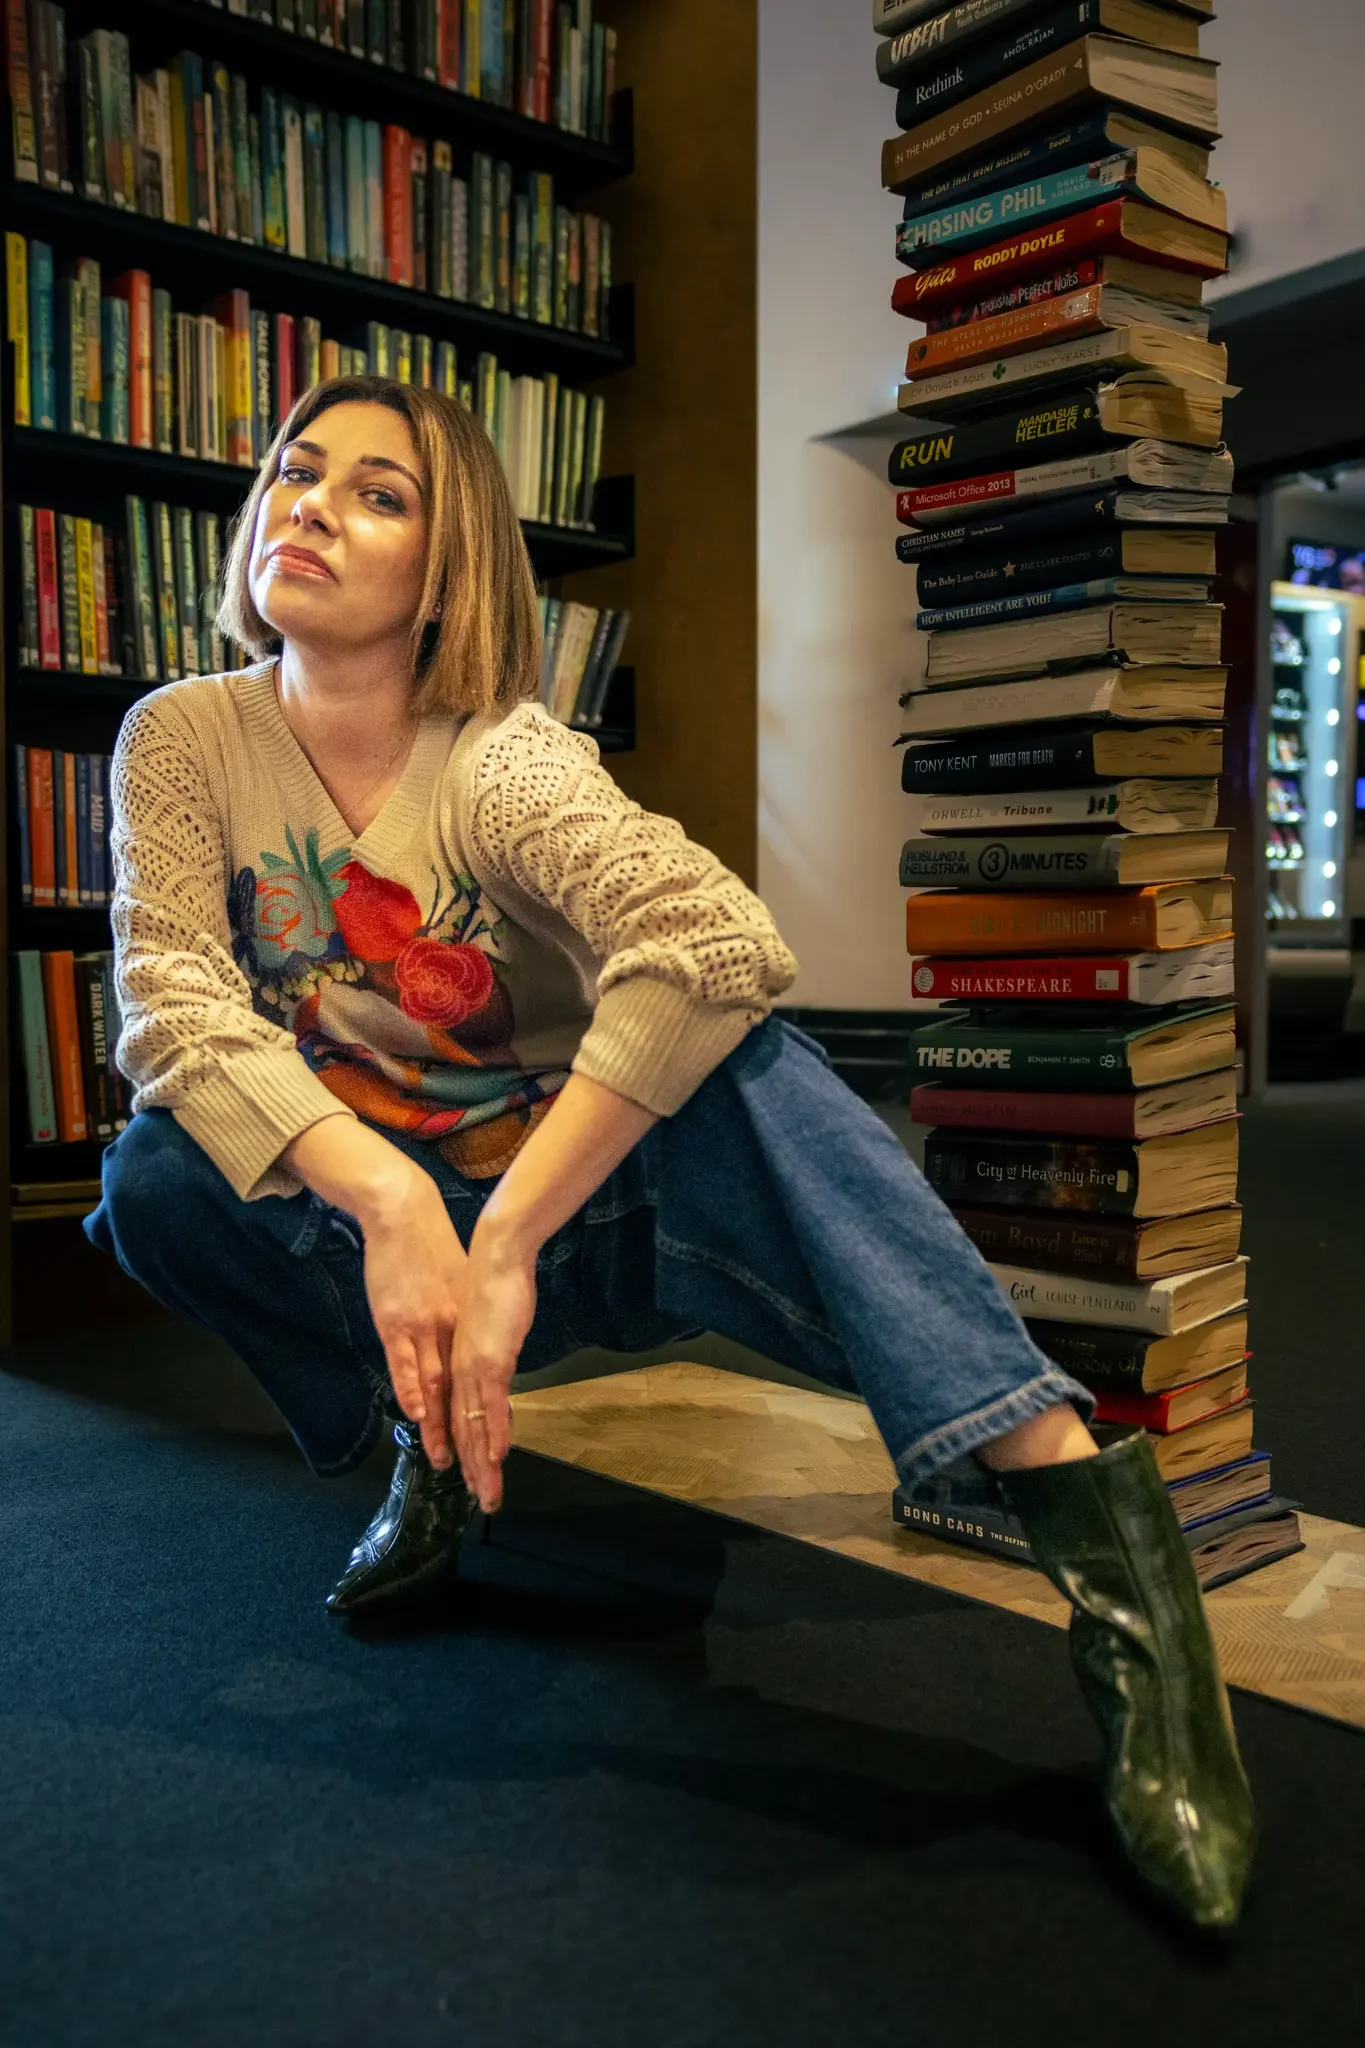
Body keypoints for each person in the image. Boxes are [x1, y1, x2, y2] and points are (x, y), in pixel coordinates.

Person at [87, 375, 1254, 1933]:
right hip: (397, 1243)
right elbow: (168, 1000)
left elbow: (712, 941)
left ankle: (1122, 1589)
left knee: (755, 1060)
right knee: (156, 1174)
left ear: (449, 573)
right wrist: (385, 1203)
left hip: (578, 1227)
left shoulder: (501, 756)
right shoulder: (180, 740)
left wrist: (500, 1243)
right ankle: (424, 1452)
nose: (309, 505)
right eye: (297, 475)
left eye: (379, 493)